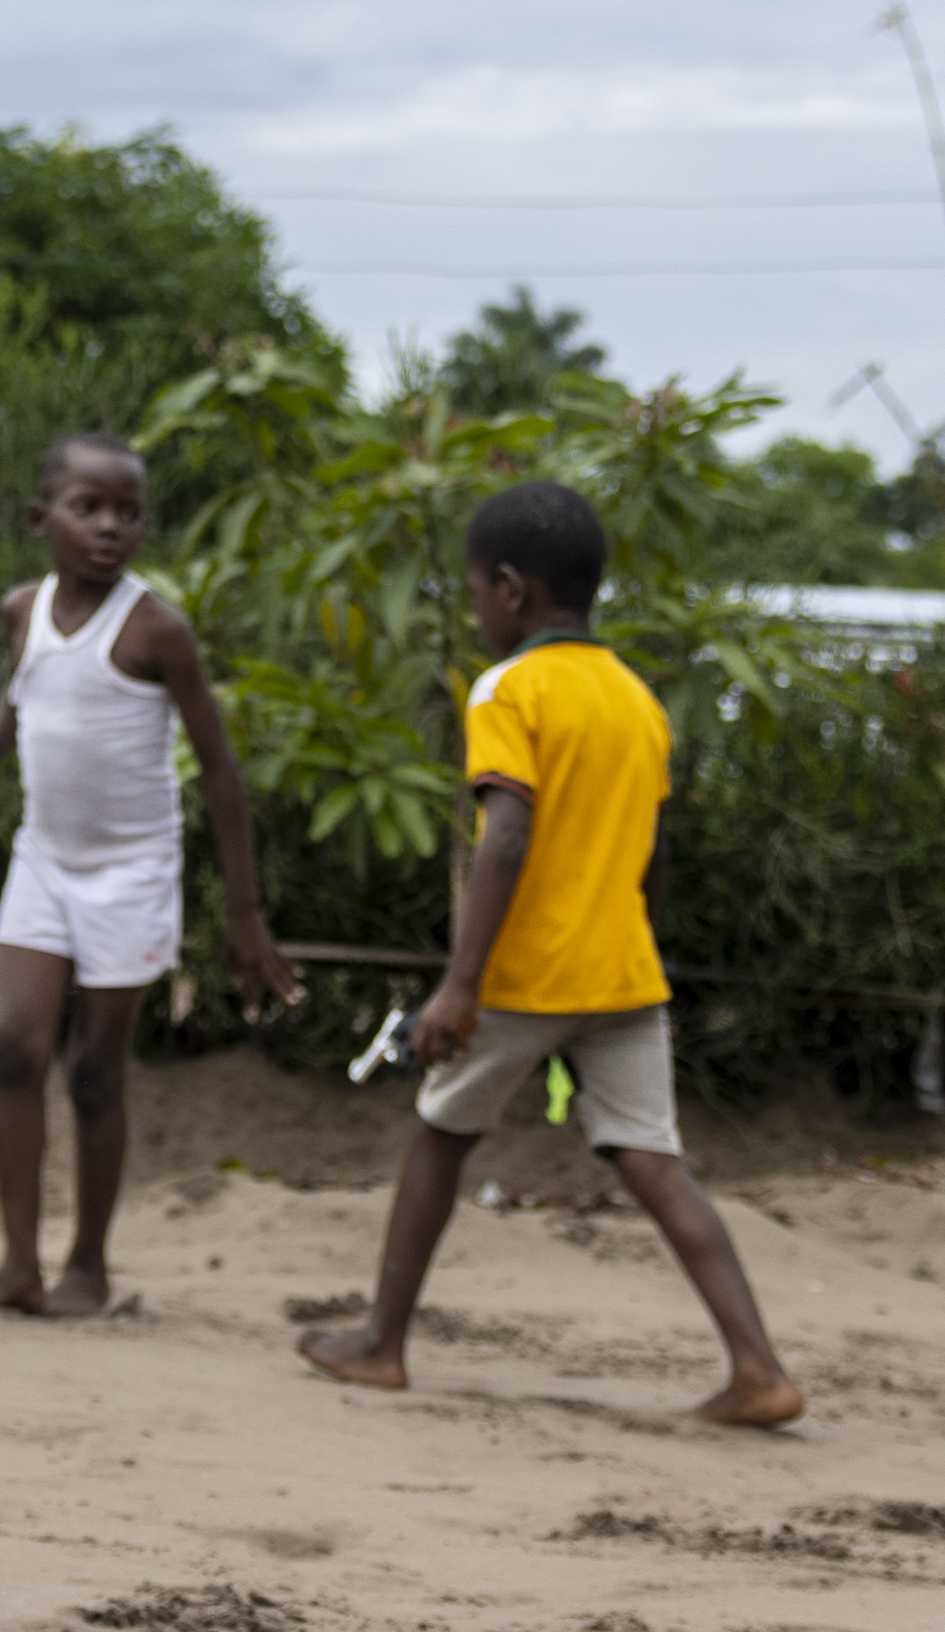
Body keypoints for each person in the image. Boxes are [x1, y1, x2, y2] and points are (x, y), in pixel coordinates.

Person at [297, 480, 803, 1426]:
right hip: (623, 974)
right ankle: (758, 1369)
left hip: (528, 974)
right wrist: (637, 943)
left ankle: (382, 1345)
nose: (481, 609)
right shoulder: (637, 701)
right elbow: (651, 854)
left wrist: (460, 986)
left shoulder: (510, 689)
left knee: (441, 1133)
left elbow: (507, 838)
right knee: (655, 1159)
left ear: (511, 589)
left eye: (478, 592)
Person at [0, 430, 299, 1316]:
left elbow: (218, 771)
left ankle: (88, 1266)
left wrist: (242, 912)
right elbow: (19, 698)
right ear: (41, 519)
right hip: (44, 862)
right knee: (15, 1048)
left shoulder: (156, 628)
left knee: (95, 1072)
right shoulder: (24, 609)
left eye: (128, 512)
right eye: (88, 507)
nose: (110, 527)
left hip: (131, 873)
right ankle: (18, 1263)